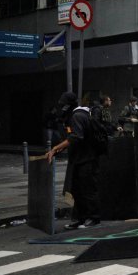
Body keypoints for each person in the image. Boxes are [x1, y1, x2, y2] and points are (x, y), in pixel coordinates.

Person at [46, 92, 105, 230]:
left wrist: (56, 148)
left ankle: (93, 218)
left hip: (87, 159)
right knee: (77, 190)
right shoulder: (80, 114)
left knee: (87, 189)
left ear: (68, 105)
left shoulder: (77, 116)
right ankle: (80, 218)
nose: (61, 108)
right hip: (80, 159)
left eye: (62, 105)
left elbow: (76, 136)